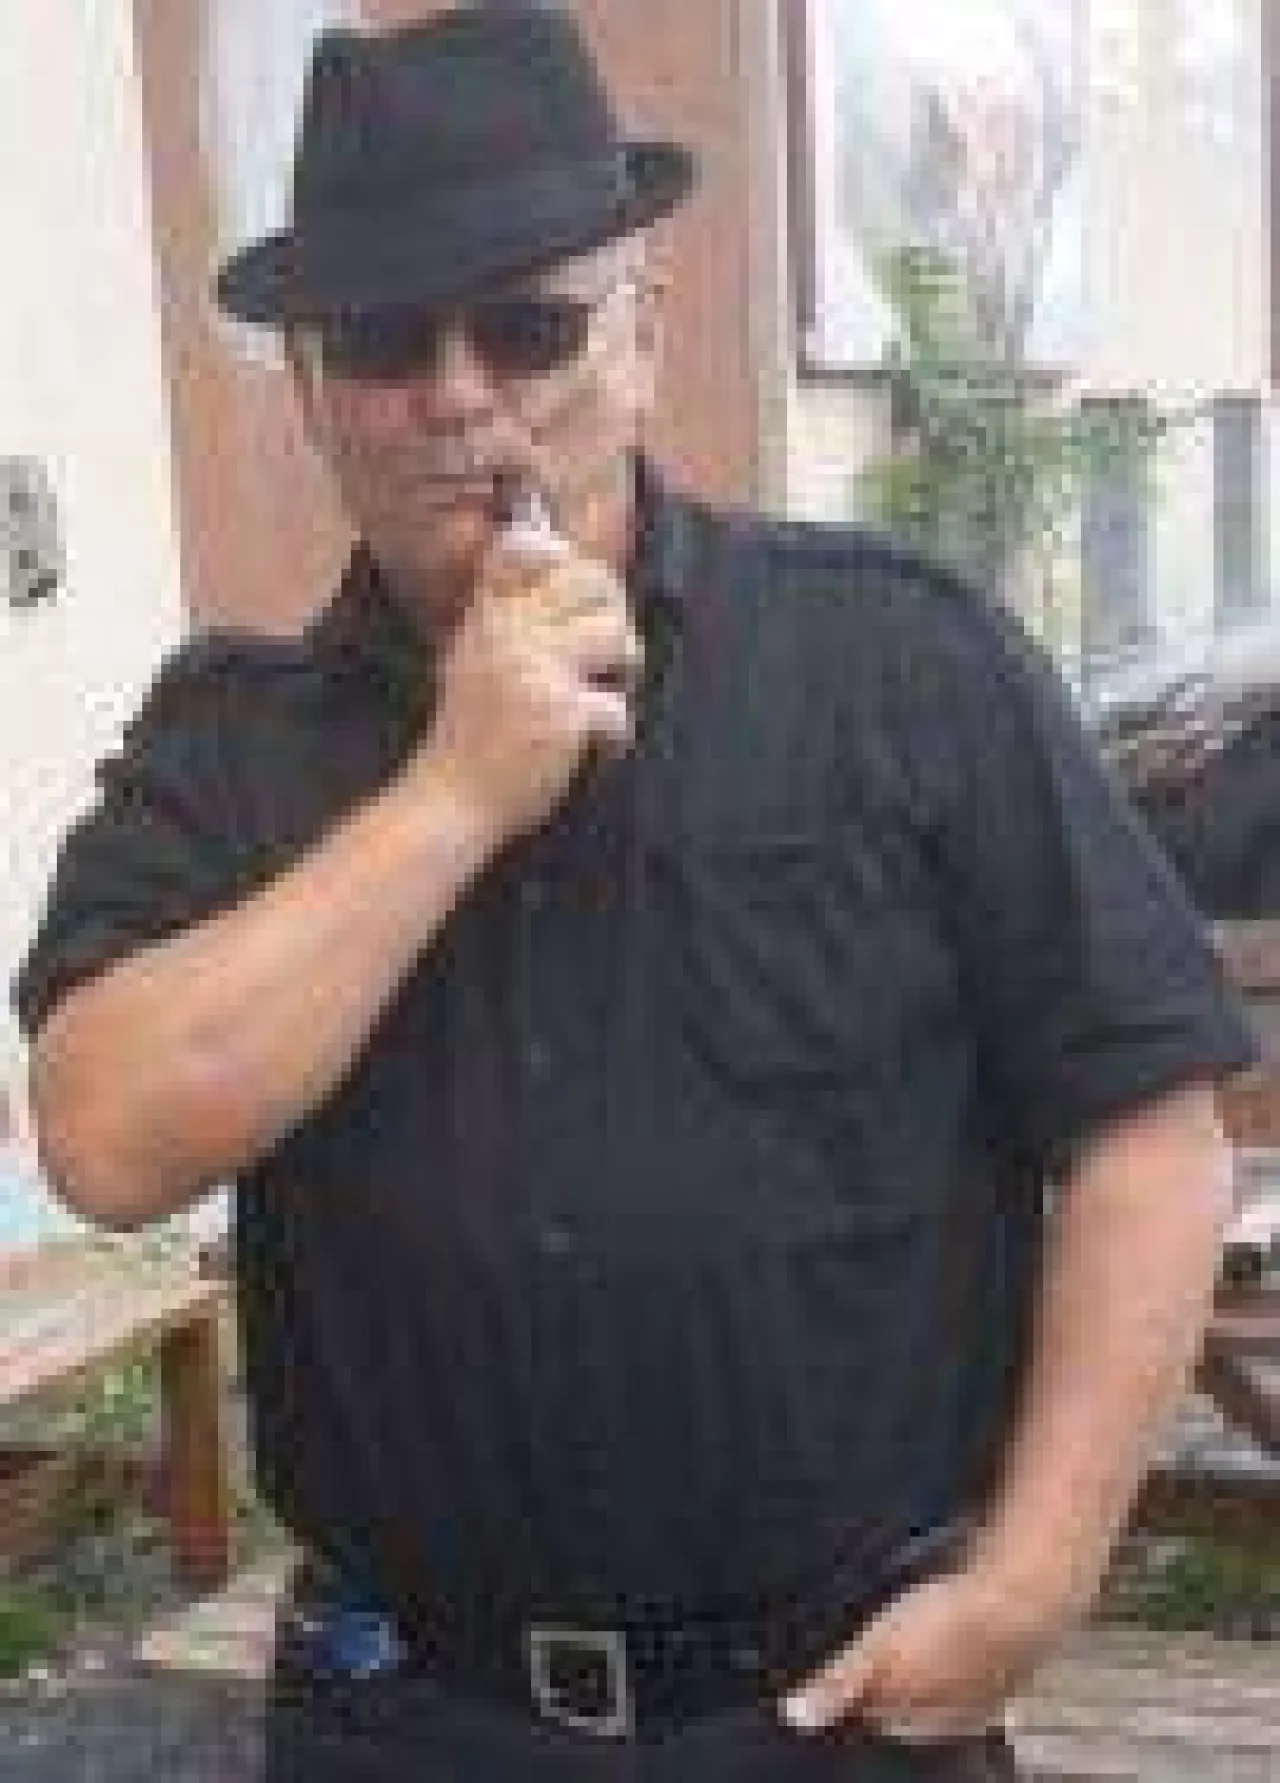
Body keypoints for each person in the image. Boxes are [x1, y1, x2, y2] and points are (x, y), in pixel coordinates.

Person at [14, 8, 1256, 1779]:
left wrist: (1036, 1579)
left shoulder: (898, 661)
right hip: (406, 1715)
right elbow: (106, 1138)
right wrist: (452, 792)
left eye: (526, 325)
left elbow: (1147, 1129)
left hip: (838, 1702)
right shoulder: (229, 739)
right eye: (383, 338)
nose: (458, 392)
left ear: (643, 337)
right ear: (308, 391)